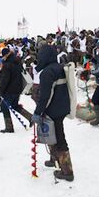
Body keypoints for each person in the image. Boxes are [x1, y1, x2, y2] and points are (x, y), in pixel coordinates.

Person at [32, 45, 74, 181]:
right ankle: (54, 159)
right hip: (62, 107)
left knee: (59, 138)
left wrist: (38, 112)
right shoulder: (59, 68)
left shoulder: (47, 72)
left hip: (53, 109)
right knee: (53, 135)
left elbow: (46, 96)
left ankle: (67, 171)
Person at [0, 47, 33, 133]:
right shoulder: (17, 62)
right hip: (18, 88)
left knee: (4, 107)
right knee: (15, 105)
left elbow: (5, 79)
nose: (2, 58)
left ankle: (9, 127)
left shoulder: (7, 65)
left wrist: (0, 91)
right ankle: (31, 118)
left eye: (3, 56)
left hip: (9, 90)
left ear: (6, 55)